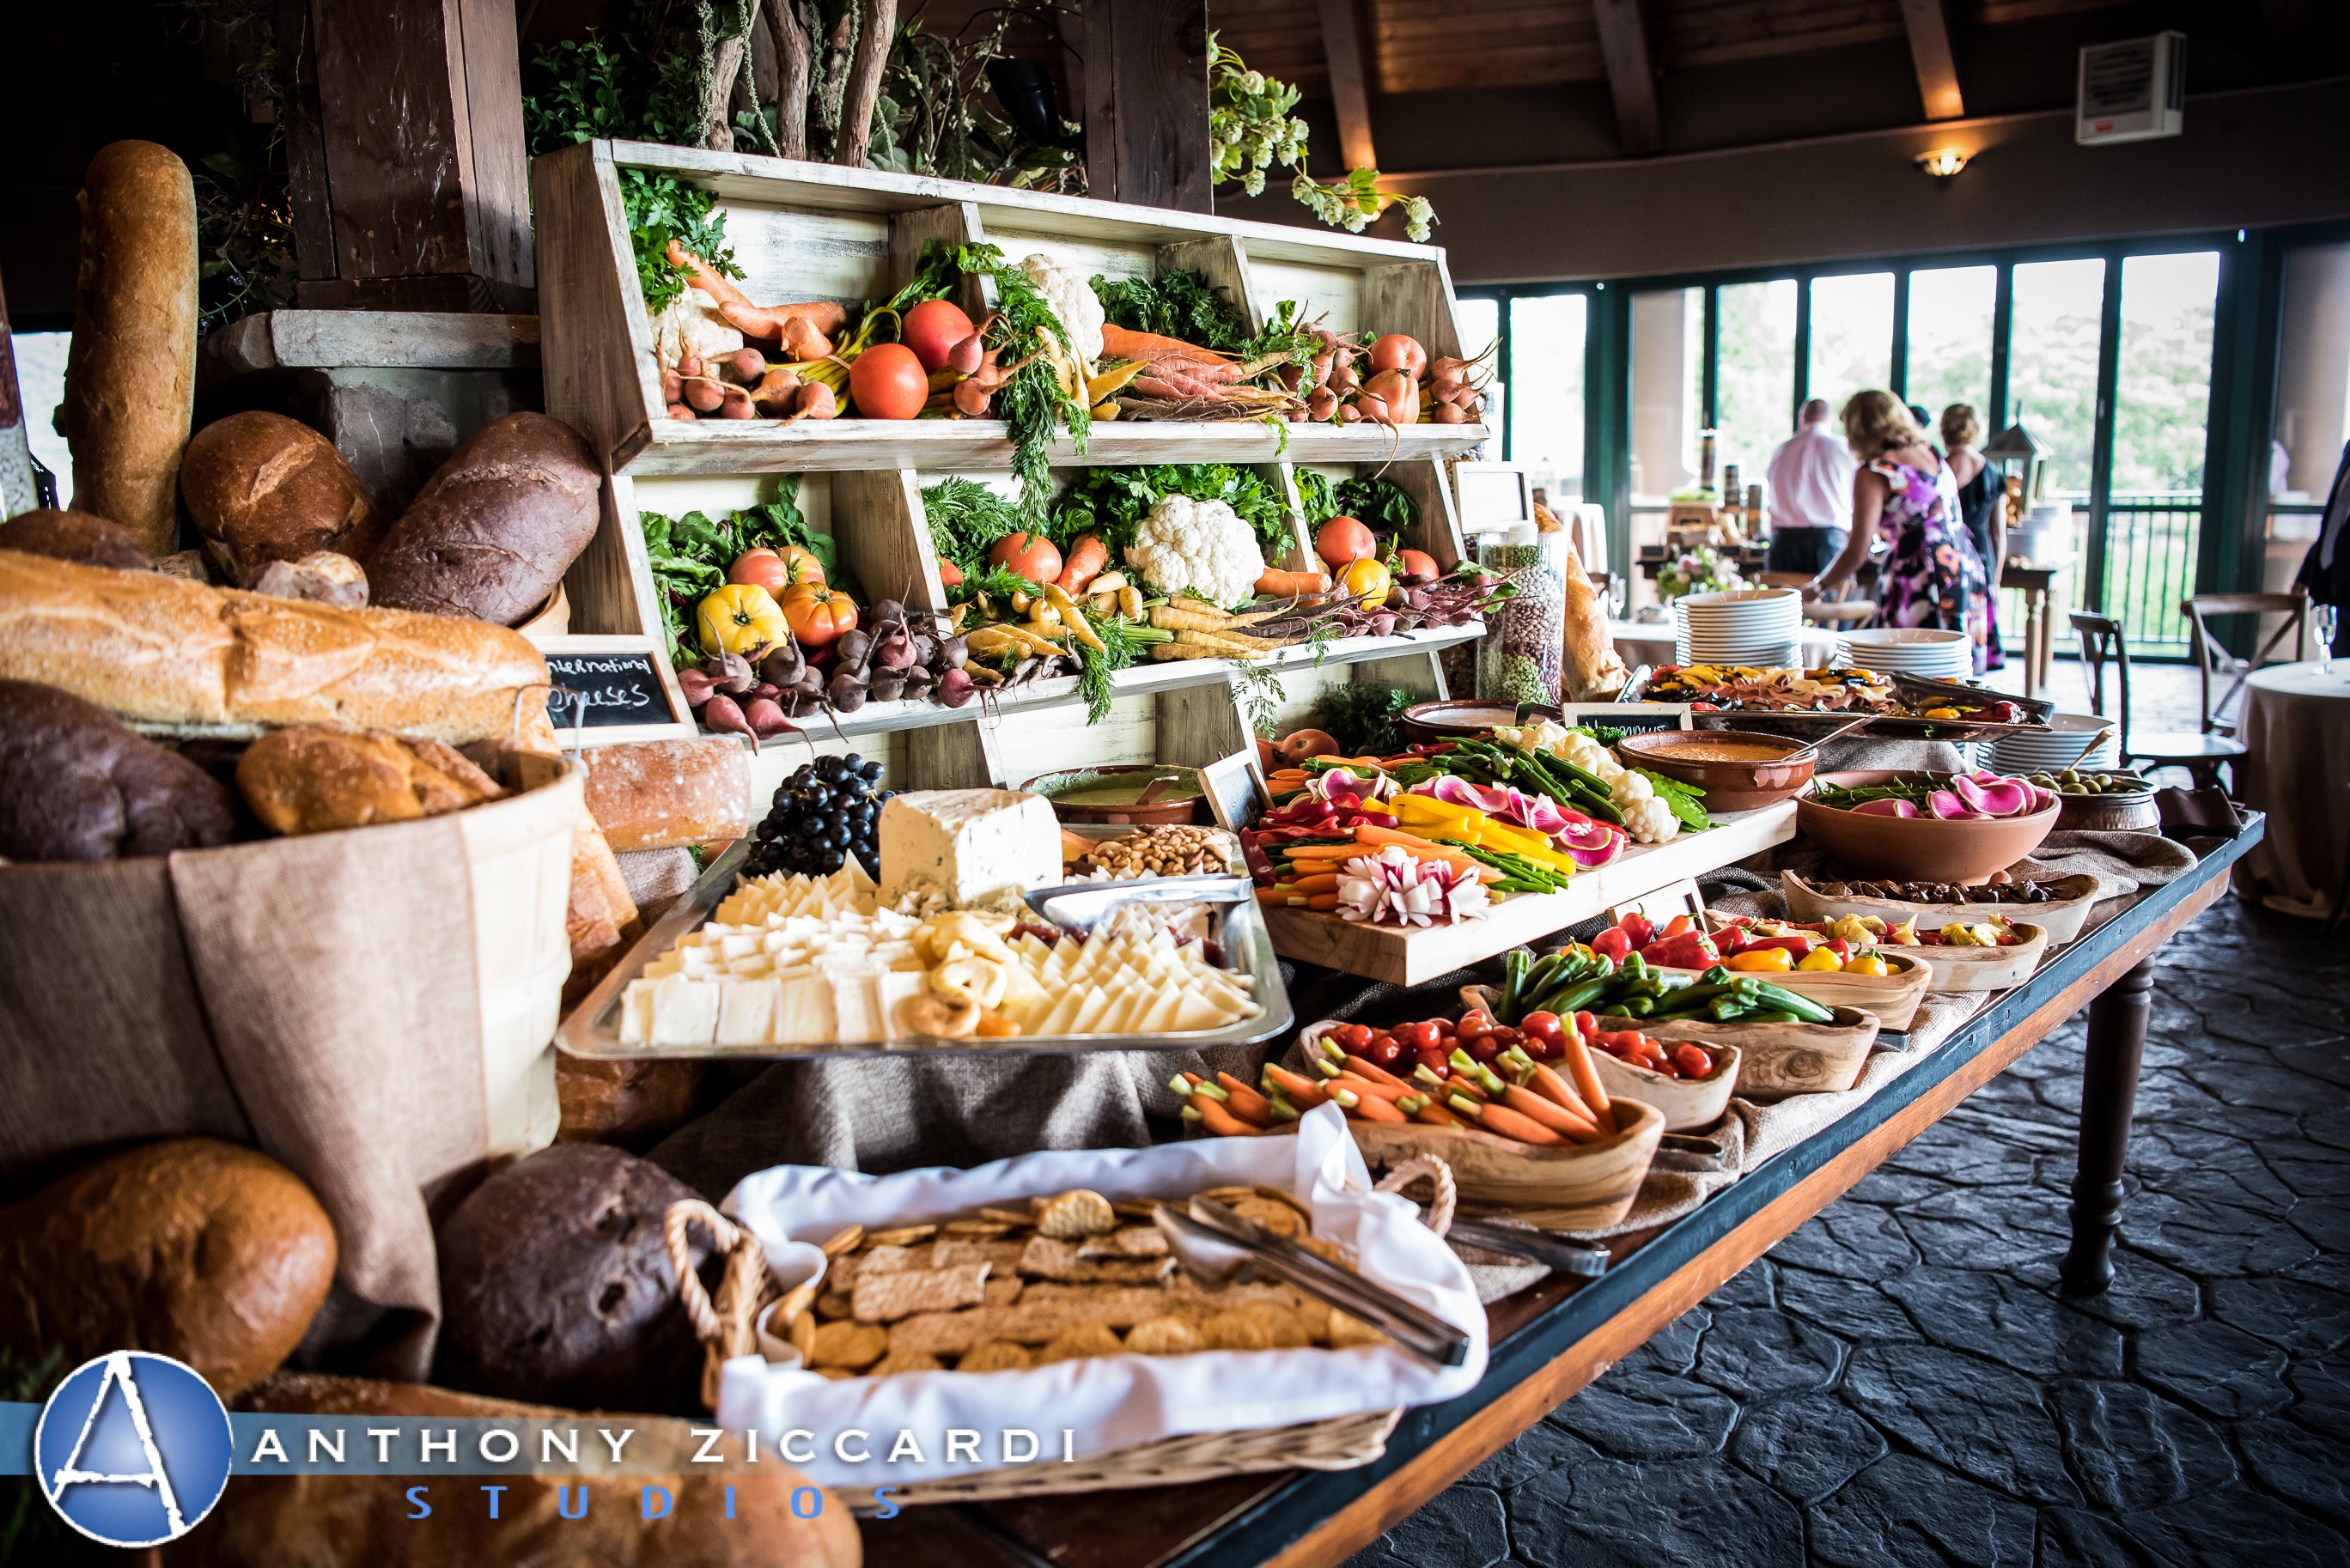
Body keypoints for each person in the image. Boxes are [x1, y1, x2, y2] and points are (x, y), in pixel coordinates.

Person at [1805, 391, 1997, 673]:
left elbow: (1857, 551)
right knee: (1951, 673)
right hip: (1961, 570)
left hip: (1918, 578)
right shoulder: (1932, 455)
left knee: (1902, 676)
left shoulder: (1875, 472)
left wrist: (1817, 587)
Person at [1940, 404, 2006, 671]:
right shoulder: (1992, 471)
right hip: (1984, 552)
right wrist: (1997, 576)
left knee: (1953, 622)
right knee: (1978, 619)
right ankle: (1973, 671)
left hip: (1952, 551)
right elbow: (1998, 531)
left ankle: (1953, 670)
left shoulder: (1944, 468)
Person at [1763, 398, 1857, 574]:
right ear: (1831, 420)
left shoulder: (1781, 450)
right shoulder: (1842, 449)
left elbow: (1771, 491)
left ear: (1802, 417)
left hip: (1784, 542)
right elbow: (1855, 498)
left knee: (1784, 600)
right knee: (1828, 600)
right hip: (1828, 540)